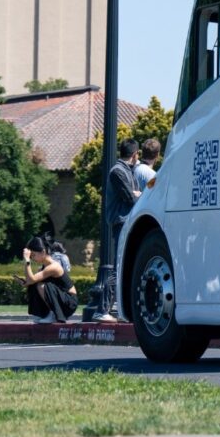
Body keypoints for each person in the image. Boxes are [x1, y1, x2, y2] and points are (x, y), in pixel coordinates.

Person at [97, 138, 140, 322]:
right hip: (120, 223)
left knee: (123, 267)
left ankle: (120, 309)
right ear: (134, 154)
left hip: (125, 222)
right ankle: (103, 309)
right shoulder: (118, 171)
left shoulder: (125, 170)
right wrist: (137, 194)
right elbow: (130, 197)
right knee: (118, 268)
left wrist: (136, 194)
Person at [19, 236, 77, 323]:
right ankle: (42, 314)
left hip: (69, 303)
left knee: (41, 285)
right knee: (34, 285)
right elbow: (31, 281)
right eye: (31, 257)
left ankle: (53, 314)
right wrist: (25, 282)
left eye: (33, 255)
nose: (32, 258)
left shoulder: (54, 266)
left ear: (43, 252)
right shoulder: (43, 267)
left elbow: (32, 279)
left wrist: (27, 261)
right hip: (61, 300)